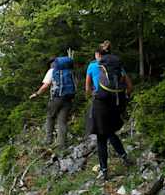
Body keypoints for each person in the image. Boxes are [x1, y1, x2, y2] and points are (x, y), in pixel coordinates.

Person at [85, 40, 133, 178]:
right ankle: (124, 157)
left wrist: (91, 96)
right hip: (115, 102)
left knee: (101, 136)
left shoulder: (93, 65)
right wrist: (124, 99)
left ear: (98, 54)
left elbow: (87, 88)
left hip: (100, 103)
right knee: (110, 132)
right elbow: (130, 87)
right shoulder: (117, 66)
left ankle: (104, 171)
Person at [30, 54, 76, 150]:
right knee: (62, 121)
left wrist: (37, 94)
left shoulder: (52, 71)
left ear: (52, 63)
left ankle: (48, 140)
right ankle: (62, 145)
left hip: (56, 98)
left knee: (50, 117)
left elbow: (46, 85)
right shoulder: (69, 71)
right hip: (68, 98)